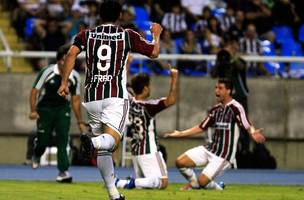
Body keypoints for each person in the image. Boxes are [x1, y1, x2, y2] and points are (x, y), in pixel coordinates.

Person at [57, 1, 163, 200]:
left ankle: (114, 194)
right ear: (120, 16)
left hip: (92, 97)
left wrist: (64, 82)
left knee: (104, 151)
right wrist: (156, 34)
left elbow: (71, 54)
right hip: (114, 96)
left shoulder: (85, 35)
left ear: (99, 15)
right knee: (111, 142)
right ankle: (92, 142)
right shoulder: (127, 35)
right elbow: (154, 53)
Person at [165, 78, 265, 190]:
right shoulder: (215, 109)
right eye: (216, 88)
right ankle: (195, 184)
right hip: (211, 148)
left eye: (220, 88)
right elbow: (201, 127)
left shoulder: (236, 107)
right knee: (180, 162)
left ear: (229, 91)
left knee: (203, 181)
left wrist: (252, 132)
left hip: (224, 155)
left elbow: (247, 124)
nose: (217, 91)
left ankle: (211, 187)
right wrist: (180, 133)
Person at [29, 44, 86, 183]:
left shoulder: (75, 76)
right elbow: (34, 91)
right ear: (59, 60)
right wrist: (33, 110)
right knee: (43, 140)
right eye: (65, 59)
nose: (67, 63)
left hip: (62, 110)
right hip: (45, 110)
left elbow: (76, 100)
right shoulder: (47, 72)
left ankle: (63, 171)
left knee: (63, 138)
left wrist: (80, 122)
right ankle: (37, 154)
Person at [116, 67, 178, 190]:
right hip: (149, 150)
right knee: (162, 182)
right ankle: (132, 182)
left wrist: (126, 65)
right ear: (145, 88)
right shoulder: (149, 106)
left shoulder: (129, 102)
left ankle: (118, 182)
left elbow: (120, 84)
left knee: (146, 184)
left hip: (136, 152)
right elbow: (171, 100)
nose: (150, 88)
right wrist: (174, 78)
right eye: (149, 86)